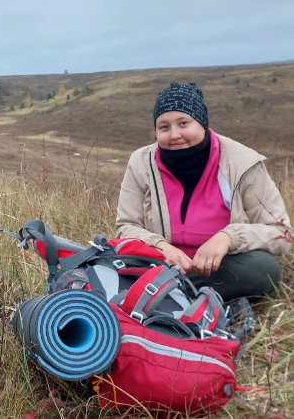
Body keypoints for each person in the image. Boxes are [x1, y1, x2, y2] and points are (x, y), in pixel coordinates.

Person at [116, 81, 292, 302]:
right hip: (162, 263)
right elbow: (126, 226)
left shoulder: (244, 163)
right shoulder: (141, 162)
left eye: (183, 123)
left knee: (264, 269)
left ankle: (163, 295)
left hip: (220, 267)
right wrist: (160, 246)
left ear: (202, 123)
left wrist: (228, 237)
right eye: (164, 127)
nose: (174, 135)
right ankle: (185, 296)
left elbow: (282, 234)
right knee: (117, 258)